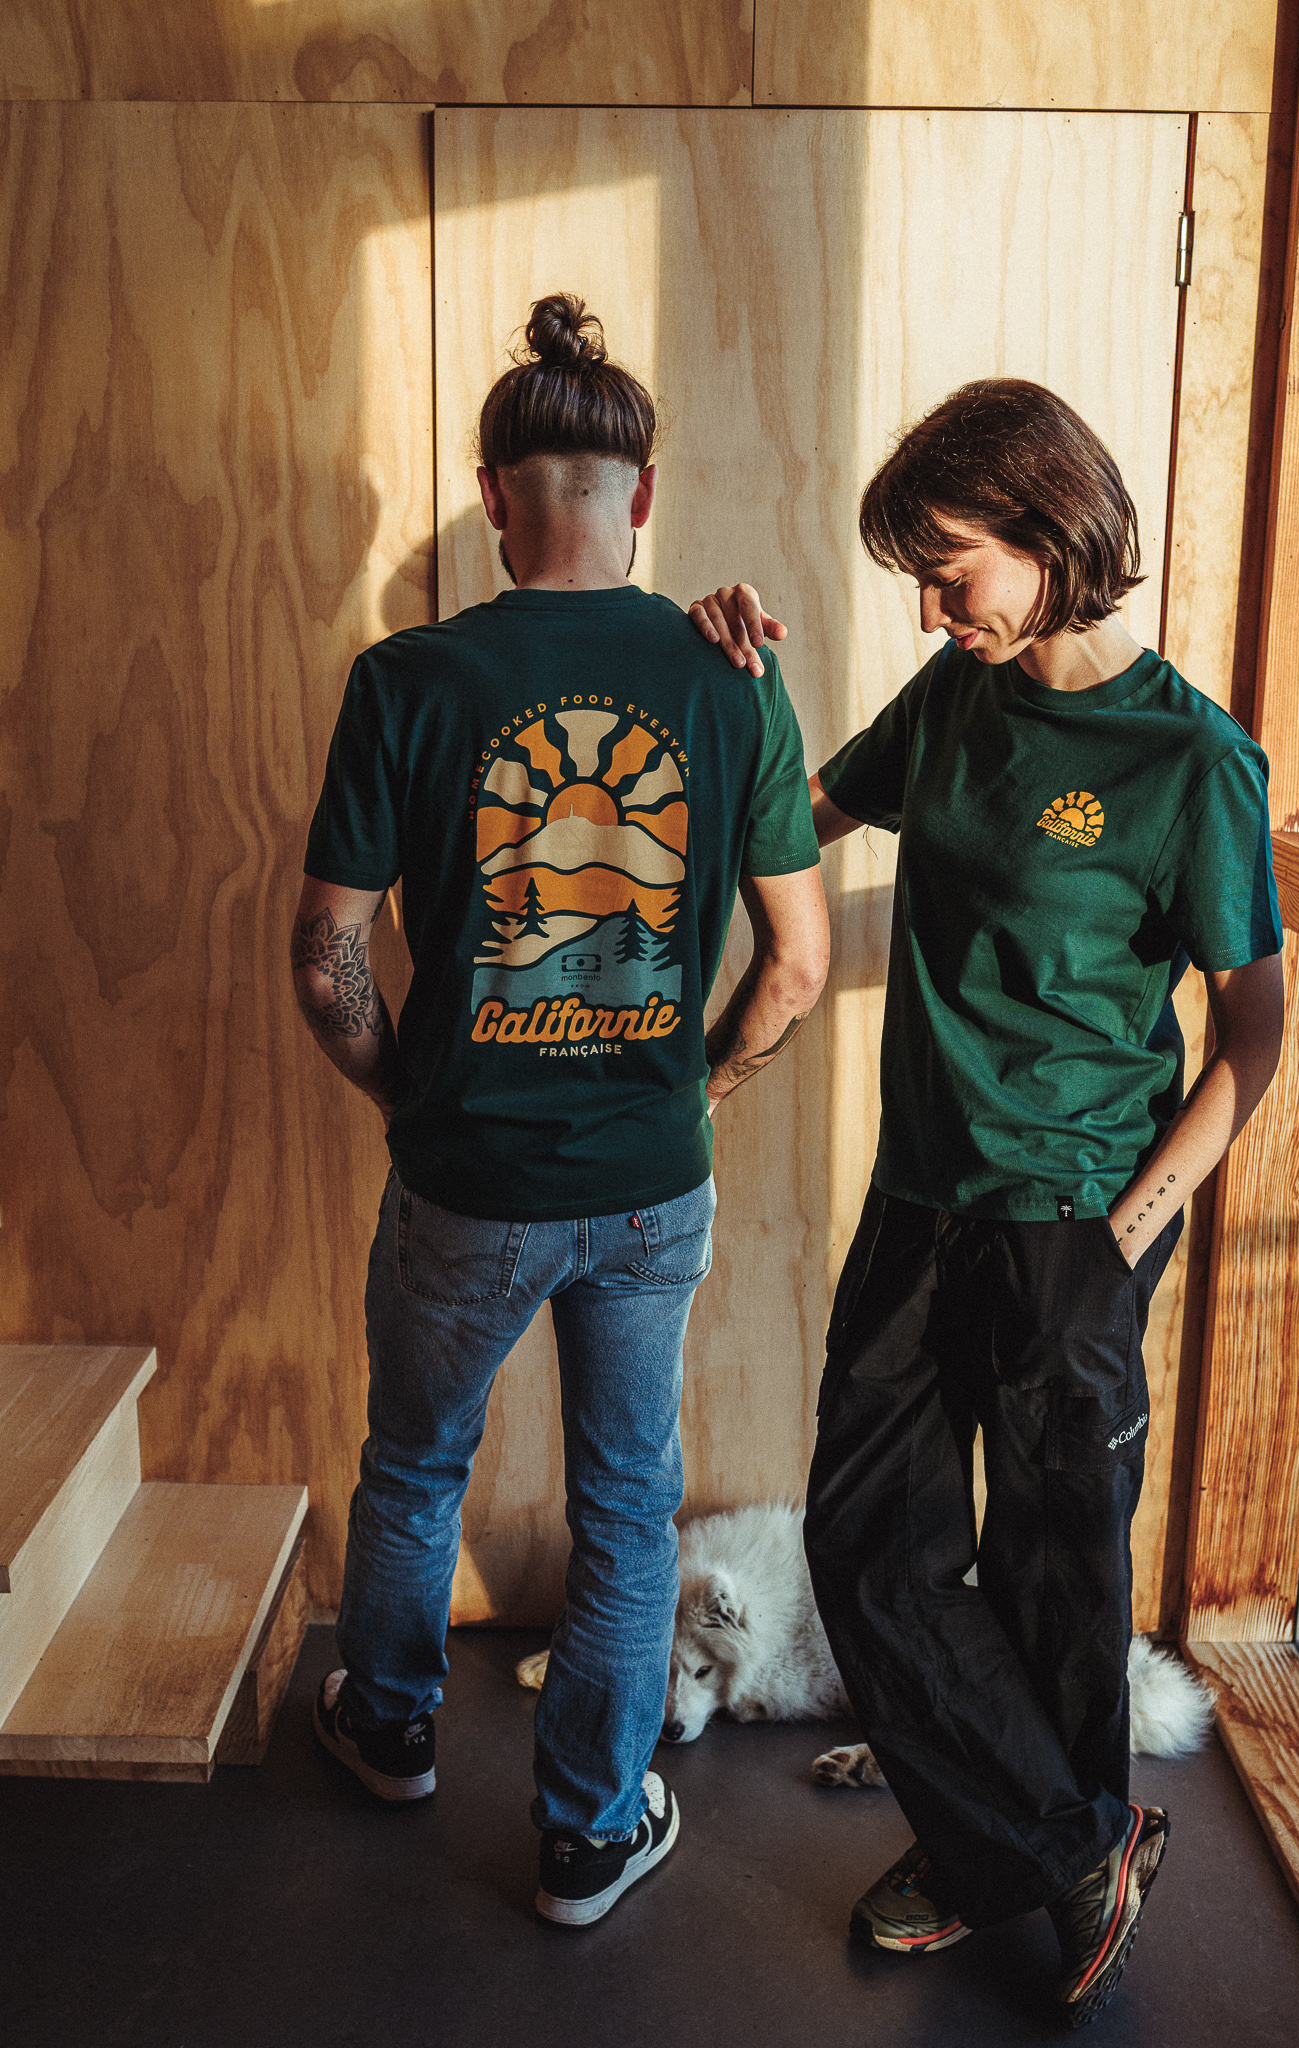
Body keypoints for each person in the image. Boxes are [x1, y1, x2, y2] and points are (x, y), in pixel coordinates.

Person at [688, 379, 1283, 2025]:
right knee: (867, 1543)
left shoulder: (1189, 759)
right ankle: (1068, 1845)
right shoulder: (953, 699)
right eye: (920, 582)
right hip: (920, 1196)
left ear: (1049, 529)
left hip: (1074, 1216)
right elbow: (789, 819)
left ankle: (989, 1851)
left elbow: (1252, 1037)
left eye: (949, 573)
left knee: (1049, 1568)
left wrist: (1122, 1238)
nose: (932, 610)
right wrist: (729, 691)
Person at [292, 293, 828, 1927]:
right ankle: (589, 1839)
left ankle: (389, 1734)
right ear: (641, 494)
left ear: (489, 496)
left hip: (464, 1178)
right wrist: (695, 1086)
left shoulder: (404, 679)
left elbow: (324, 960)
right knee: (625, 1508)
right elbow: (797, 965)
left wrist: (414, 1097)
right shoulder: (732, 678)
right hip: (650, 1182)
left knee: (412, 1467)